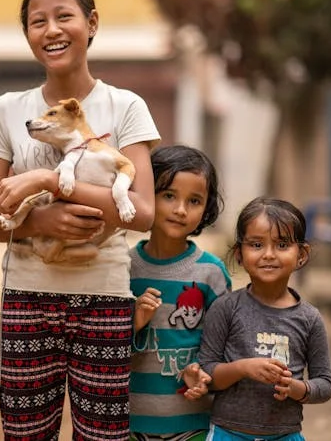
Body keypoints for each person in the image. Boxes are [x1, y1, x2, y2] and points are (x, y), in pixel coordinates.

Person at [0, 0, 161, 439]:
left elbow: (143, 211)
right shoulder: (6, 110)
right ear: (28, 35)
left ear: (91, 23)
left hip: (105, 296)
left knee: (102, 435)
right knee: (25, 433)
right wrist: (41, 219)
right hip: (27, 296)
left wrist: (49, 180)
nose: (51, 30)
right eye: (38, 22)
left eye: (64, 17)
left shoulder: (125, 106)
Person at [183, 197, 331, 441]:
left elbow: (325, 385)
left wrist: (297, 389)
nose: (269, 255)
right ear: (239, 254)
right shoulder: (226, 308)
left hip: (285, 434)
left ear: (302, 254)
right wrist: (243, 368)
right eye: (256, 245)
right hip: (227, 433)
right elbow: (207, 373)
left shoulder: (310, 319)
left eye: (282, 245)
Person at [129, 145, 231, 441]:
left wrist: (204, 375)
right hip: (130, 422)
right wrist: (133, 323)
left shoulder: (211, 274)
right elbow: (102, 348)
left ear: (207, 207)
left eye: (194, 200)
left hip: (194, 423)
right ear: (146, 194)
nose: (181, 210)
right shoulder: (124, 269)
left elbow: (225, 347)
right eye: (169, 195)